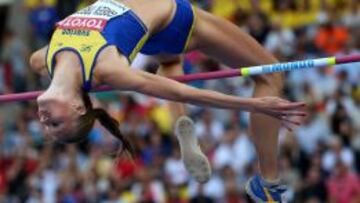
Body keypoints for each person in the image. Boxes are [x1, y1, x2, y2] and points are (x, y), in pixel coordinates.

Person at [29, 0, 306, 202]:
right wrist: (253, 105)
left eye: (47, 125)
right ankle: (267, 182)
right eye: (55, 123)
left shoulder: (42, 60)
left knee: (170, 60)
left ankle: (181, 123)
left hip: (148, 32)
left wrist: (78, 81)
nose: (44, 121)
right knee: (271, 73)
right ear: (78, 107)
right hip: (176, 21)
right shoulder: (107, 69)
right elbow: (182, 92)